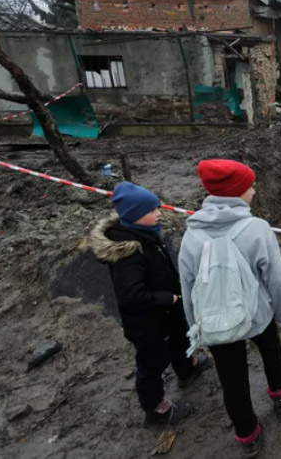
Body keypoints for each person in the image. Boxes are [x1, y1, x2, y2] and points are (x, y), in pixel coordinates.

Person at [178, 159, 281, 457]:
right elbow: (277, 280)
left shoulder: (192, 233)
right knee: (270, 351)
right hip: (257, 315)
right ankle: (280, 393)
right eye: (249, 186)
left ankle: (247, 434)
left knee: (232, 379)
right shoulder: (257, 229)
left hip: (217, 325)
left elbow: (188, 289)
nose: (254, 191)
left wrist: (198, 330)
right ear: (235, 193)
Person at [86, 182, 208, 425]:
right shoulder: (128, 254)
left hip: (168, 313)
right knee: (152, 364)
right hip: (148, 324)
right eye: (152, 211)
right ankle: (155, 408)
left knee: (180, 339)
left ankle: (186, 369)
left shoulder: (147, 234)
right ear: (135, 216)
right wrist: (169, 298)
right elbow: (131, 296)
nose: (159, 213)